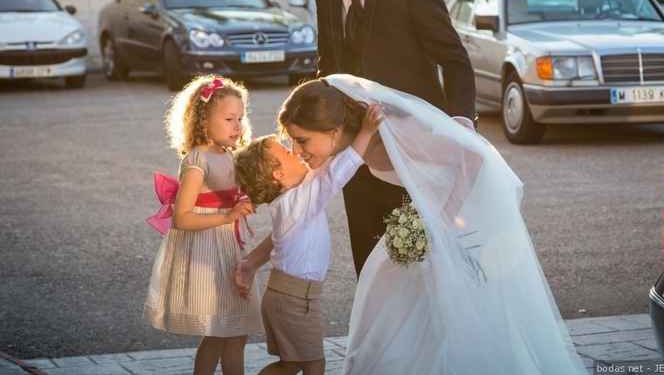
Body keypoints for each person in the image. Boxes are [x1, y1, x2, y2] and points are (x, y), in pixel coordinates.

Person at [248, 76, 587, 374]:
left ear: (333, 130)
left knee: (451, 312)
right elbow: (296, 213)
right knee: (389, 294)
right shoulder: (342, 147)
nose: (298, 149)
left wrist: (439, 221)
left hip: (463, 212)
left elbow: (473, 157)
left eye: (302, 140)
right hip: (426, 220)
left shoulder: (395, 129)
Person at [293, 0, 476, 274]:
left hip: (411, 148)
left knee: (418, 258)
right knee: (368, 254)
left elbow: (453, 57)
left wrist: (460, 120)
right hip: (356, 151)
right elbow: (329, 67)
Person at [233, 105, 382, 375]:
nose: (296, 151)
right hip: (293, 300)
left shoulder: (290, 198)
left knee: (291, 365)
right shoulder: (300, 200)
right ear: (278, 175)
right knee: (314, 364)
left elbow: (324, 165)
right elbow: (338, 172)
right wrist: (366, 132)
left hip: (288, 296)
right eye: (288, 152)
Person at [144, 75, 263, 375]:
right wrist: (227, 215)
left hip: (230, 247)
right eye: (228, 119)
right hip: (208, 250)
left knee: (236, 333)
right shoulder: (198, 159)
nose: (237, 126)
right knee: (217, 332)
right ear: (202, 121)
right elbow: (182, 217)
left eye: (240, 118)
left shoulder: (229, 154)